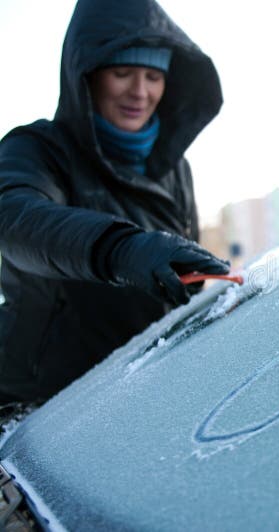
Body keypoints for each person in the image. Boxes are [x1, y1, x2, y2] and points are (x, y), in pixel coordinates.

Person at [0, 0, 229, 404]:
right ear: (87, 73)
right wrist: (118, 248)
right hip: (37, 401)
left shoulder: (175, 168)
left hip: (135, 390)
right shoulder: (39, 150)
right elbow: (14, 218)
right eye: (122, 72)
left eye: (153, 76)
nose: (140, 92)